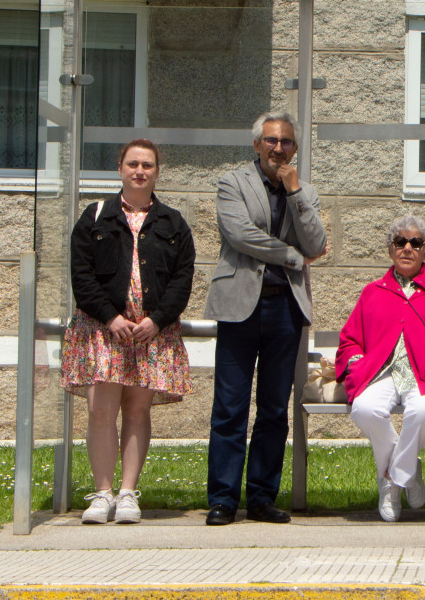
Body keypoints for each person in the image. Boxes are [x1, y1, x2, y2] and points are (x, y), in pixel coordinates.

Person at [62, 139, 195, 525]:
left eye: (148, 165)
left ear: (157, 171)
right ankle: (102, 495)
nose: (140, 171)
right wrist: (110, 317)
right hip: (104, 331)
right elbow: (81, 275)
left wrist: (158, 319)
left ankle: (127, 494)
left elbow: (183, 278)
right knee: (100, 410)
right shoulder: (95, 216)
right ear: (119, 168)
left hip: (150, 333)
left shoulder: (172, 222)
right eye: (133, 164)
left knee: (137, 411)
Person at [204, 112, 327, 526]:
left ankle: (260, 497)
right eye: (271, 141)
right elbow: (240, 235)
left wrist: (294, 193)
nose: (279, 148)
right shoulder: (232, 183)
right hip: (240, 306)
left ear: (295, 148)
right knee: (230, 406)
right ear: (256, 145)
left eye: (286, 142)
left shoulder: (303, 190)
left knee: (274, 408)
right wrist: (292, 256)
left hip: (285, 309)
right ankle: (222, 499)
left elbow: (317, 242)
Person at [336, 215, 425, 522]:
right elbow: (349, 341)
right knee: (364, 409)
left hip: (423, 374)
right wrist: (359, 362)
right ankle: (407, 471)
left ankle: (391, 480)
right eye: (400, 242)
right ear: (390, 250)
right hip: (381, 373)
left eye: (416, 242)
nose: (408, 248)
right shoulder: (373, 291)